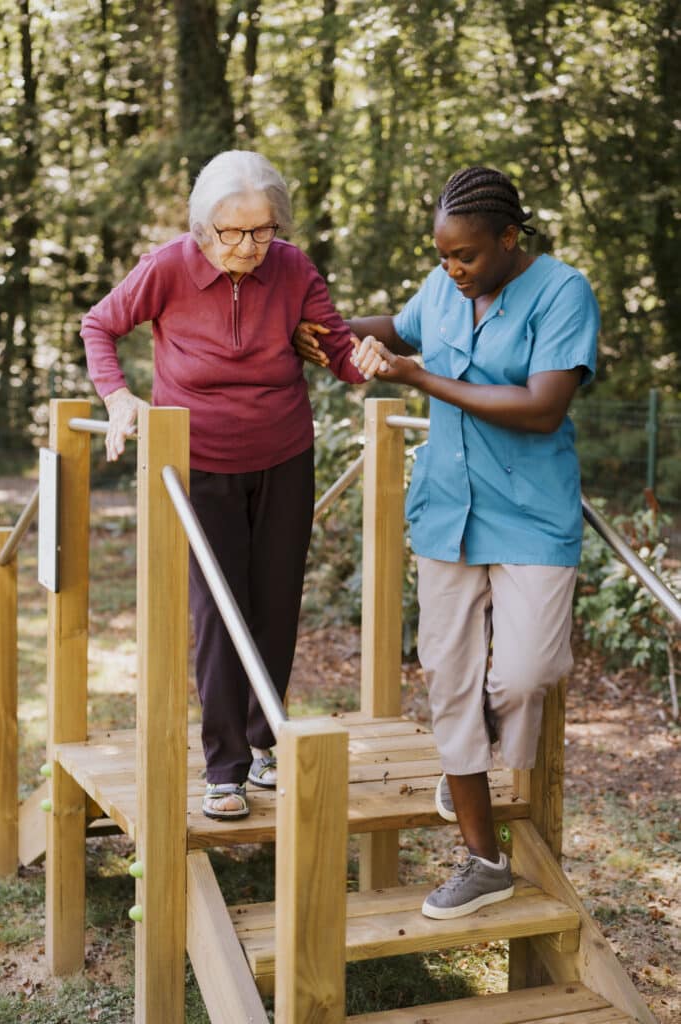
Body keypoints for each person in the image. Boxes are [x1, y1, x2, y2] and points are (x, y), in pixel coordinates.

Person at [295, 166, 599, 918]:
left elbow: (539, 406)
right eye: (441, 257)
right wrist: (323, 336)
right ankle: (481, 858)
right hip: (447, 510)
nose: (451, 270)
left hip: (530, 511)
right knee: (449, 679)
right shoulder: (441, 291)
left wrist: (414, 378)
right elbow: (395, 332)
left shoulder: (562, 291)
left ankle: (477, 743)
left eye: (464, 256)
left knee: (528, 672)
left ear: (508, 237)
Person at [81, 150, 365, 821]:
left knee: (275, 600)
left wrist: (375, 358)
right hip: (198, 456)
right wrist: (119, 398)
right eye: (233, 233)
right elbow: (100, 324)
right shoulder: (168, 265)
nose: (248, 247)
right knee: (218, 607)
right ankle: (224, 765)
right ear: (204, 228)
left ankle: (265, 742)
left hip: (284, 453)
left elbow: (343, 355)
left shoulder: (291, 268)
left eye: (263, 231)